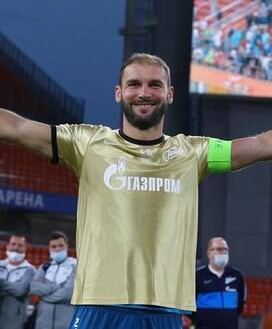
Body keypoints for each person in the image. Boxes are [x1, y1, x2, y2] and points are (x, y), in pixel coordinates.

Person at [0, 52, 271, 329]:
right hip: (99, 306)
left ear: (170, 94)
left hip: (164, 311)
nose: (144, 93)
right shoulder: (87, 143)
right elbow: (18, 127)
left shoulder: (193, 153)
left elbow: (261, 145)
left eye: (155, 85)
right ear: (119, 93)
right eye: (134, 84)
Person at [195, 237, 246, 329]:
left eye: (225, 249)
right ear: (209, 253)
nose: (223, 252)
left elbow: (240, 304)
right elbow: (191, 303)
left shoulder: (237, 275)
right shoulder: (197, 275)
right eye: (219, 249)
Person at [30, 231, 76, 329]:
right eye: (53, 246)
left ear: (67, 246)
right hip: (42, 324)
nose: (57, 249)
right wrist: (55, 288)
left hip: (65, 324)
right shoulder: (45, 267)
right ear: (49, 248)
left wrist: (44, 296)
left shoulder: (75, 266)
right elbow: (34, 287)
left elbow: (67, 294)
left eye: (61, 245)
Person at [0, 234, 35, 329]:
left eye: (20, 245)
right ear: (7, 246)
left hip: (14, 322)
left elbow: (20, 291)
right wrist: (13, 288)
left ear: (25, 248)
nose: (16, 247)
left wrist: (1, 283)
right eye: (13, 244)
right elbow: (16, 289)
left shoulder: (30, 270)